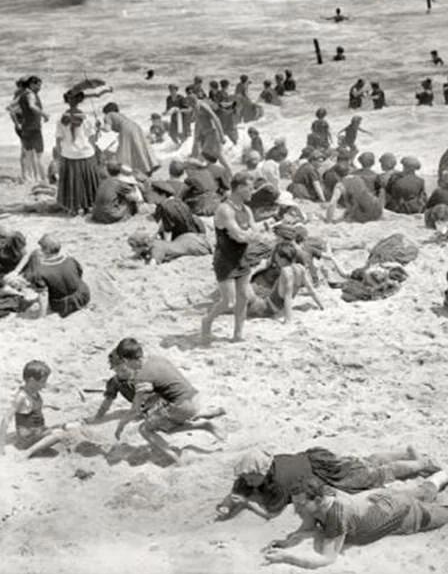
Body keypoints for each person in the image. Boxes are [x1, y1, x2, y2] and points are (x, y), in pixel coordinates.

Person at [263, 468, 448, 568]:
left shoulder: (336, 515)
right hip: (385, 499)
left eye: (300, 503)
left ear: (316, 500)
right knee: (425, 489)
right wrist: (288, 541)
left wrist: (288, 558)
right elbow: (309, 526)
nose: (296, 508)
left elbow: (327, 558)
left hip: (404, 515)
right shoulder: (324, 497)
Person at [218, 445, 442, 521]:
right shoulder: (263, 468)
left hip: (325, 474)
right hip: (320, 460)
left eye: (251, 477)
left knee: (375, 476)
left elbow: (271, 513)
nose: (247, 481)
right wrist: (227, 505)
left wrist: (247, 504)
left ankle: (420, 464)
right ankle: (405, 453)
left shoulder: (279, 482)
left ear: (263, 472)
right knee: (363, 462)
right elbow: (240, 486)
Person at [94, 339, 225, 465]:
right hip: (195, 397)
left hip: (181, 406)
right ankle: (204, 425)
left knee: (144, 429)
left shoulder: (141, 377)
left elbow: (134, 410)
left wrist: (121, 425)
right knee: (164, 425)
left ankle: (177, 459)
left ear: (127, 360)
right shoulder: (156, 358)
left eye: (124, 365)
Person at [201, 174, 262, 344]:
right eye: (250, 188)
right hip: (225, 259)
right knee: (229, 301)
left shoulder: (246, 209)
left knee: (243, 297)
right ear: (240, 188)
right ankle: (207, 321)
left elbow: (254, 233)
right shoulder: (225, 209)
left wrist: (248, 235)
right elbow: (239, 236)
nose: (252, 192)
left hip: (241, 257)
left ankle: (238, 334)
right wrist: (248, 235)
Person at [0, 360, 88, 460]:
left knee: (67, 425)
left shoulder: (33, 391)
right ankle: (27, 452)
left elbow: (50, 389)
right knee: (59, 434)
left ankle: (60, 428)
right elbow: (6, 419)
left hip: (37, 430)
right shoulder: (22, 397)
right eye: (43, 381)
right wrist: (0, 446)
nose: (44, 384)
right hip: (27, 438)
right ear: (32, 381)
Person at [246, 242, 324, 321]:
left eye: (276, 257)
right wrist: (321, 306)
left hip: (265, 308)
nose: (276, 260)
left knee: (244, 283)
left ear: (281, 258)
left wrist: (288, 320)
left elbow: (288, 297)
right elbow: (311, 290)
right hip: (273, 307)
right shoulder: (301, 268)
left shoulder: (285, 271)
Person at [21, 234, 91, 318]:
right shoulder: (70, 260)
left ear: (47, 251)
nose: (39, 250)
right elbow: (79, 274)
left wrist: (41, 316)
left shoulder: (41, 270)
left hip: (63, 306)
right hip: (83, 296)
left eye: (41, 248)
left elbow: (43, 296)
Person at [54, 91, 99, 216]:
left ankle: (73, 207)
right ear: (80, 101)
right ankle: (87, 206)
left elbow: (58, 140)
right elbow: (92, 139)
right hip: (85, 153)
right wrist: (98, 129)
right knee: (87, 182)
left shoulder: (61, 119)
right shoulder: (87, 118)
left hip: (69, 154)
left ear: (67, 101)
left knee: (73, 183)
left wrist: (59, 156)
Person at [100, 102, 159, 176]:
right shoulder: (120, 115)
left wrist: (99, 127)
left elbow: (107, 129)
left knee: (124, 153)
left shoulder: (108, 115)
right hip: (136, 127)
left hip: (126, 129)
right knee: (139, 149)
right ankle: (147, 169)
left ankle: (126, 173)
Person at [16, 76, 49, 184]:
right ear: (31, 84)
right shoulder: (31, 94)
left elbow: (11, 108)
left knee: (29, 155)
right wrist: (44, 114)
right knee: (39, 155)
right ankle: (43, 179)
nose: (40, 88)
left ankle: (31, 179)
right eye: (38, 85)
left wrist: (18, 122)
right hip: (34, 128)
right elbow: (31, 105)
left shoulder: (22, 95)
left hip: (25, 127)